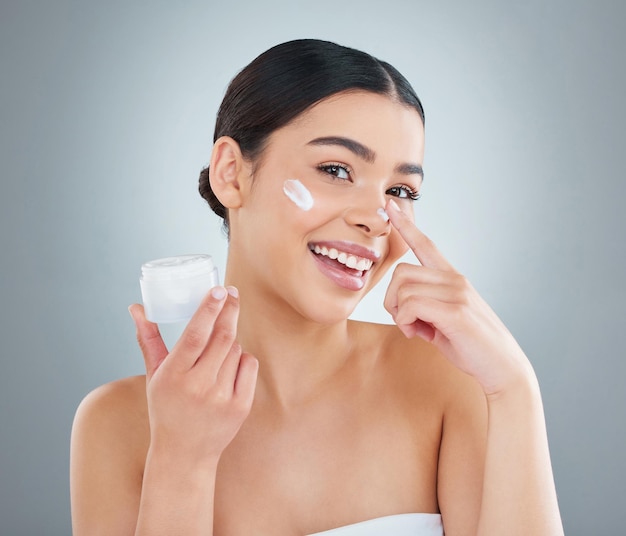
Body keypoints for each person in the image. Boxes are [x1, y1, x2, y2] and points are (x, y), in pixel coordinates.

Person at [70, 39, 564, 535]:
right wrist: (181, 461)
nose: (376, 219)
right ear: (231, 174)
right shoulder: (117, 426)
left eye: (400, 191)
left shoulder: (447, 384)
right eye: (336, 170)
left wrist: (516, 388)